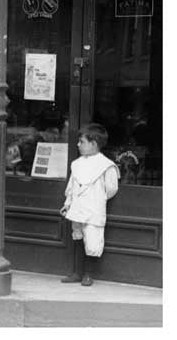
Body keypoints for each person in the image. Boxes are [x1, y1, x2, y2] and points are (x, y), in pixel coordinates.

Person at [60, 123, 120, 287]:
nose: (78, 145)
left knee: (92, 241)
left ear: (94, 144)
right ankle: (77, 273)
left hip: (94, 209)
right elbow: (71, 186)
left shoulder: (106, 165)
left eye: (82, 142)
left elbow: (111, 188)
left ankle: (88, 274)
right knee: (78, 238)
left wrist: (97, 198)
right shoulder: (77, 163)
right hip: (78, 208)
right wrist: (68, 203)